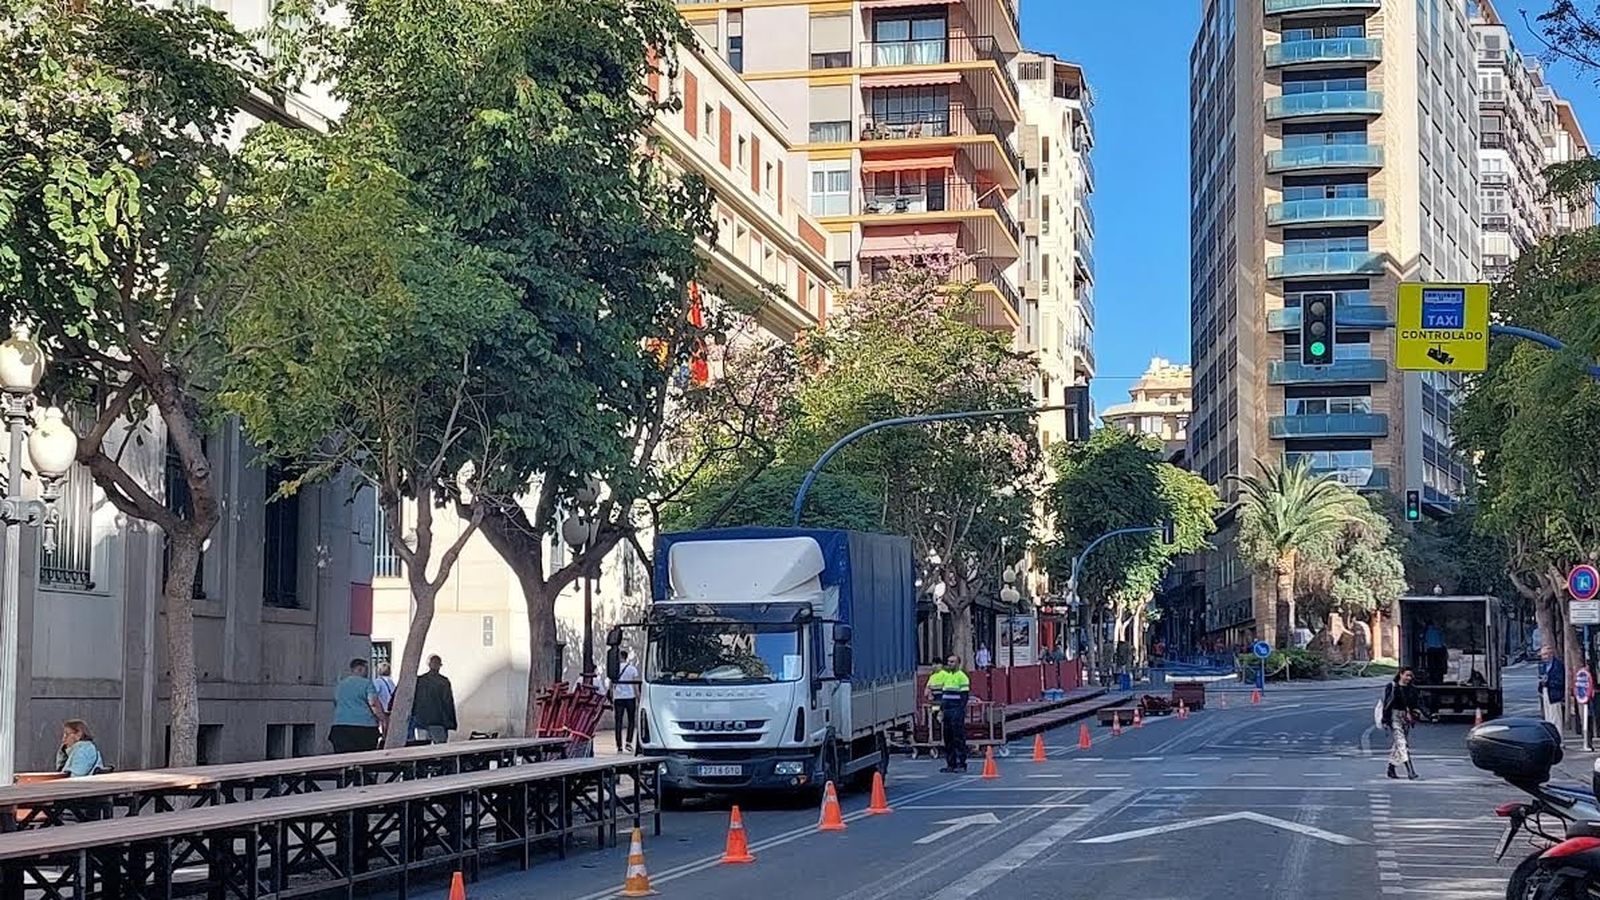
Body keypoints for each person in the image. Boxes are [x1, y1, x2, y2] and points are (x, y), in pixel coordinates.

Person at [925, 654, 971, 773]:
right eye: (948, 662)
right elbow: (943, 696)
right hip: (947, 710)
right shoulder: (946, 677)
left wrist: (960, 711)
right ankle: (951, 764)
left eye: (952, 662)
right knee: (948, 738)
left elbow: (964, 697)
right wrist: (941, 710)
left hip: (956, 710)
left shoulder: (962, 677)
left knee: (958, 738)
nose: (949, 664)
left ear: (958, 663)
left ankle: (961, 763)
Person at [330, 658, 386, 753]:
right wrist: (382, 719)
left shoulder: (340, 685)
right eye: (367, 670)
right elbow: (373, 704)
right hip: (364, 727)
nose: (367, 673)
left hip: (340, 726)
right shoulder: (367, 684)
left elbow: (336, 702)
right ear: (360, 669)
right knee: (364, 757)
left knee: (342, 757)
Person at [1381, 668, 1424, 780]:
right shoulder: (1392, 686)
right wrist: (1385, 719)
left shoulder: (1412, 689)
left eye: (1410, 676)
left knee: (1398, 745)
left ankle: (1391, 768)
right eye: (1407, 675)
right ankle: (1411, 771)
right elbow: (1387, 703)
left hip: (1405, 718)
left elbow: (1417, 704)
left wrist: (1426, 714)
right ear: (1400, 674)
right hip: (1394, 716)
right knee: (1402, 743)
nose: (1409, 678)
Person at [414, 654, 458, 744]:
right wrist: (451, 722)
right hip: (438, 721)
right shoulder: (444, 682)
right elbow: (448, 703)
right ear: (440, 666)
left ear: (429, 665)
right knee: (440, 750)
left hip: (421, 720)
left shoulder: (420, 680)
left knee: (422, 749)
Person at [612, 649, 640, 753]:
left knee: (618, 722)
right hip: (630, 697)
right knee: (631, 720)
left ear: (619, 657)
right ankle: (628, 742)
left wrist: (611, 696)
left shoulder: (614, 669)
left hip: (618, 697)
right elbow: (636, 686)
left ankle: (619, 746)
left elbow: (611, 684)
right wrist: (638, 698)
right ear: (626, 657)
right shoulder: (632, 669)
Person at [1540, 645, 1567, 734]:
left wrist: (1548, 682)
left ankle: (1559, 738)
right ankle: (1551, 736)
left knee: (1556, 718)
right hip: (1546, 692)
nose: (1543, 657)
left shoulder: (1557, 665)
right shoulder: (1544, 666)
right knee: (1548, 717)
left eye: (1545, 655)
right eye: (1542, 655)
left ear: (1550, 654)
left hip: (1554, 694)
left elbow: (1560, 681)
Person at [1423, 620, 1448, 684]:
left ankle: (1433, 679)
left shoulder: (1427, 631)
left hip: (1431, 649)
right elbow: (1443, 641)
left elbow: (1424, 640)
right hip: (1439, 649)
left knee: (1431, 665)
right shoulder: (1438, 630)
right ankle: (1439, 679)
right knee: (1439, 665)